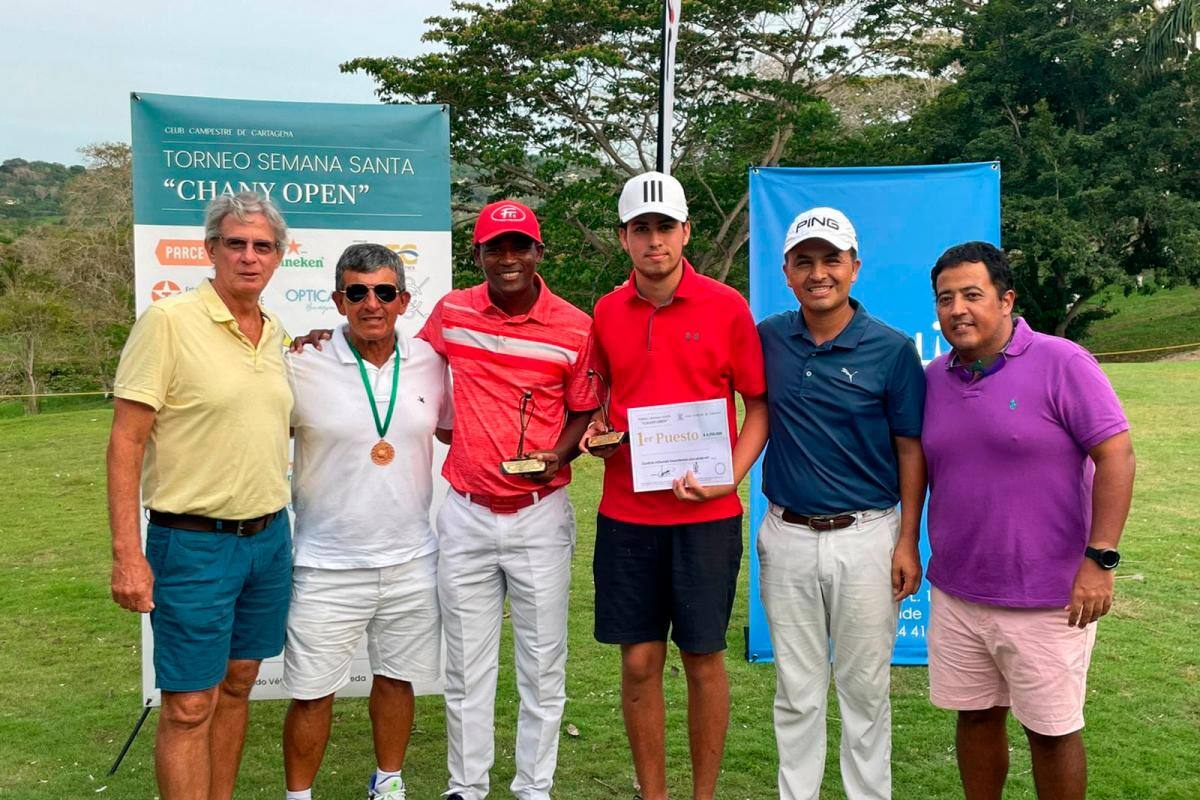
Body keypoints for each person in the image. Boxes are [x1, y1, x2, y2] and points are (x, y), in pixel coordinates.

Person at [298, 201, 596, 800]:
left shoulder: (575, 326)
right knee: (465, 666)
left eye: (519, 246)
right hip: (463, 513)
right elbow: (382, 345)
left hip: (539, 512)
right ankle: (467, 785)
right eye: (494, 247)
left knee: (542, 665)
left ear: (539, 252)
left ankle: (533, 787)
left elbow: (586, 409)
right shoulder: (453, 313)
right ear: (478, 255)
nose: (507, 258)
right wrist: (325, 337)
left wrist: (560, 455)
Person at [922, 241, 1135, 800]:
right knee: (975, 719)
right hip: (960, 591)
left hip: (1049, 596)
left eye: (972, 295)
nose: (958, 310)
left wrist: (1101, 558)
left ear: (1007, 299)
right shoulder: (931, 379)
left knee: (1051, 732)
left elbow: (1117, 455)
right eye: (946, 299)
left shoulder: (1062, 362)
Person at [580, 171, 769, 800]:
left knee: (703, 656)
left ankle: (703, 794)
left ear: (686, 232)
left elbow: (758, 406)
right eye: (641, 229)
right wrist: (598, 431)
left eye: (665, 227)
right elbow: (602, 400)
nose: (654, 240)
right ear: (624, 238)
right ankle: (652, 793)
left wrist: (729, 479)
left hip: (706, 518)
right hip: (628, 514)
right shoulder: (606, 312)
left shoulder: (727, 306)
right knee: (638, 661)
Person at [107, 192, 293, 800]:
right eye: (235, 244)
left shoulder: (277, 334)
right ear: (210, 249)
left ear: (278, 257)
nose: (248, 256)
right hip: (191, 543)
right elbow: (126, 442)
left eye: (261, 246)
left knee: (239, 686)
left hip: (268, 540)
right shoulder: (168, 322)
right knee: (189, 706)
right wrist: (128, 556)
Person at [753, 207, 926, 800]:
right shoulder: (769, 337)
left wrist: (907, 540)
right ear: (786, 271)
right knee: (796, 691)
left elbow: (911, 450)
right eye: (805, 262)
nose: (818, 273)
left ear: (854, 267)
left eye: (831, 260)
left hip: (867, 535)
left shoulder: (892, 349)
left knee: (864, 689)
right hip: (787, 534)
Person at [281, 244, 453, 800]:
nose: (371, 303)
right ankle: (299, 795)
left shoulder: (431, 360)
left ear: (403, 299)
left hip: (411, 557)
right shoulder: (300, 362)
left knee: (398, 679)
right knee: (311, 692)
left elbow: (460, 430)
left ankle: (389, 782)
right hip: (325, 563)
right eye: (357, 292)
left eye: (384, 292)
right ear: (338, 300)